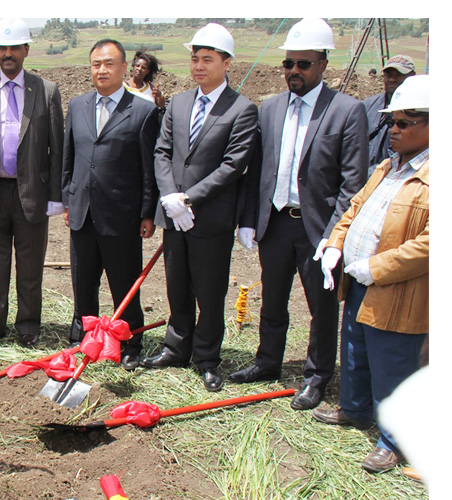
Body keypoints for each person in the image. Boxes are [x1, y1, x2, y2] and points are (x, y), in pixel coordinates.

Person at [230, 19, 368, 411]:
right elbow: (257, 170)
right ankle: (267, 362)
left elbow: (352, 183)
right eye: (288, 63)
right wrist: (249, 219)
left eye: (303, 64)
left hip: (317, 230)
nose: (294, 71)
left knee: (321, 308)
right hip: (275, 223)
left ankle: (317, 376)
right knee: (272, 299)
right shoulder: (271, 108)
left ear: (323, 64)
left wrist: (334, 237)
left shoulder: (346, 111)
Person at [314, 75, 429, 474]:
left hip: (398, 290)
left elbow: (431, 243)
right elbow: (354, 208)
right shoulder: (387, 166)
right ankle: (355, 408)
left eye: (403, 123)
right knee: (355, 349)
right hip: (359, 281)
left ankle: (394, 440)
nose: (393, 130)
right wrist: (335, 243)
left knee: (392, 363)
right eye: (391, 122)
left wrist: (377, 267)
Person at [141, 24, 259, 390]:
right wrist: (169, 197)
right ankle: (176, 347)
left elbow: (232, 165)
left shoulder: (241, 109)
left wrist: (188, 198)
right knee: (177, 286)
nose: (199, 66)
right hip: (174, 215)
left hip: (209, 217)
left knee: (209, 292)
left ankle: (207, 357)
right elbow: (162, 152)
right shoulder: (178, 103)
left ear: (227, 63)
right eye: (195, 58)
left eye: (208, 59)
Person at [0, 18, 64, 347]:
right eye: (2, 48)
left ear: (26, 50)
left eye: (14, 48)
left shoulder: (46, 91)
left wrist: (56, 195)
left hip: (31, 192)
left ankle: (28, 324)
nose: (8, 54)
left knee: (30, 265)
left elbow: (57, 147)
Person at [62, 39, 159, 370]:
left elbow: (148, 168)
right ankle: (83, 337)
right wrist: (68, 199)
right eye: (96, 64)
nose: (101, 70)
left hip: (122, 216)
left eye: (109, 63)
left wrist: (147, 212)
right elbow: (69, 157)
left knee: (124, 282)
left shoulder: (143, 111)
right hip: (83, 211)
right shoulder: (78, 106)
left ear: (123, 67)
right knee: (83, 281)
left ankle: (130, 341)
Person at [362, 55, 416, 174]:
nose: (392, 79)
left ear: (412, 76)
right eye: (389, 75)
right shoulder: (368, 106)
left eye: (398, 75)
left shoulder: (419, 111)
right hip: (365, 175)